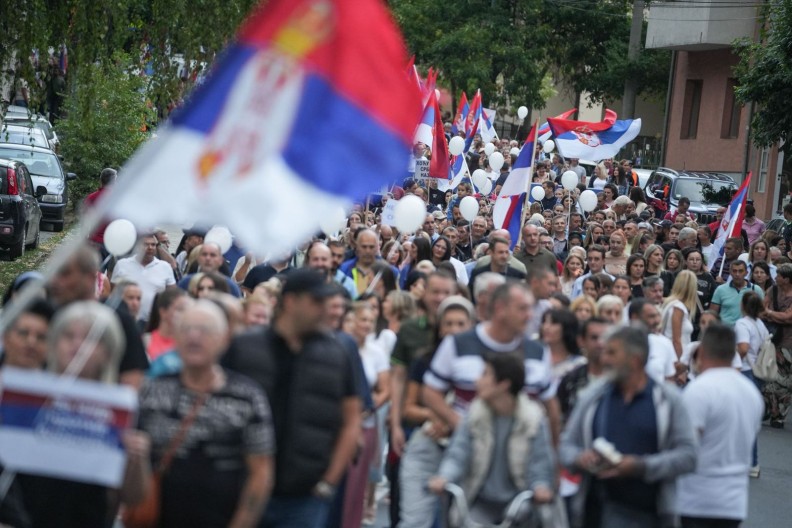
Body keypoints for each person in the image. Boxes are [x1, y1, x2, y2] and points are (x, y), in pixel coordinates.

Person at [222, 269, 362, 526]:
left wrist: (328, 483)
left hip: (304, 495)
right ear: (290, 302)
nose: (325, 309)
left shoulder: (336, 354)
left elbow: (351, 420)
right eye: (316, 302)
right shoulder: (244, 348)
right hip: (242, 487)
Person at [137, 300, 274, 528]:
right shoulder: (152, 390)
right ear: (176, 338)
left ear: (224, 340)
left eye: (205, 331)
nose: (194, 337)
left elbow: (261, 473)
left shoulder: (247, 396)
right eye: (187, 330)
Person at [17, 302, 151, 528]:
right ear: (54, 342)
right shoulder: (25, 396)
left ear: (109, 351)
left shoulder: (121, 410)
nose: (78, 345)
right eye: (69, 336)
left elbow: (134, 497)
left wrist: (136, 459)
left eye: (91, 339)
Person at [559, 326, 697, 528]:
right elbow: (566, 446)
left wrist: (640, 466)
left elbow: (688, 456)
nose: (604, 358)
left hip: (649, 516)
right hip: (594, 514)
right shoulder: (594, 396)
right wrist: (580, 458)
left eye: (612, 352)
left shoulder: (668, 401)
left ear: (635, 359)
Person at [427, 353, 555, 523]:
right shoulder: (474, 415)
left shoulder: (533, 420)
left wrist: (540, 488)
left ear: (503, 385)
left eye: (485, 374)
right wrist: (444, 477)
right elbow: (458, 453)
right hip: (479, 502)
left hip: (518, 504)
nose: (477, 381)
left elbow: (540, 464)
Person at [396, 295, 476, 527]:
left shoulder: (482, 363)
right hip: (427, 445)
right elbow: (409, 408)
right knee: (414, 521)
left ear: (471, 326)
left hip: (467, 450)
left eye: (460, 323)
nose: (454, 329)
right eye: (448, 323)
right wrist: (437, 416)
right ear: (439, 328)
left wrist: (453, 424)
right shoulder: (425, 361)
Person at [676, 324, 763, 526]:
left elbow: (684, 446)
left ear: (702, 351)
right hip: (733, 504)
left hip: (696, 501)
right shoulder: (751, 393)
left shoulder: (699, 390)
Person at [48, 245, 150, 389]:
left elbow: (133, 382)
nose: (55, 281)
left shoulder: (119, 320)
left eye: (65, 274)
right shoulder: (46, 313)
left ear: (90, 277)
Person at [111, 234, 177, 324]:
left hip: (154, 322)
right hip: (125, 320)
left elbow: (172, 296)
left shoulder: (165, 267)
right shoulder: (122, 264)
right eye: (145, 244)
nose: (150, 247)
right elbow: (113, 293)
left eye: (153, 245)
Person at [761, 262, 792, 429]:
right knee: (771, 378)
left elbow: (789, 318)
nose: (775, 277)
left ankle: (780, 413)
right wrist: (777, 316)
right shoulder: (772, 290)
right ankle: (774, 412)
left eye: (779, 275)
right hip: (774, 342)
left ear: (786, 279)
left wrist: (771, 314)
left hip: (790, 344)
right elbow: (761, 310)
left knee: (787, 382)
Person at [710, 260, 764, 326]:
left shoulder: (756, 289)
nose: (737, 274)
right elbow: (712, 314)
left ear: (746, 273)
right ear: (730, 272)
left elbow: (762, 312)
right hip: (725, 332)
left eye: (740, 271)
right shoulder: (720, 289)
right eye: (734, 271)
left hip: (748, 330)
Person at [660, 270, 698, 364]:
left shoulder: (671, 304)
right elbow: (676, 340)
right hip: (676, 360)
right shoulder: (678, 307)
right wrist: (681, 364)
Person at [143, 288, 190, 361]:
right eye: (180, 309)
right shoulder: (146, 342)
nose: (184, 314)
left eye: (186, 310)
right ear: (163, 312)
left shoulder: (189, 342)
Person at [83, 167, 117, 257]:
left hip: (94, 241)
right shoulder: (118, 199)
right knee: (111, 270)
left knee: (95, 270)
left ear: (101, 180)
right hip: (114, 242)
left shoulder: (91, 198)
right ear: (113, 182)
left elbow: (85, 221)